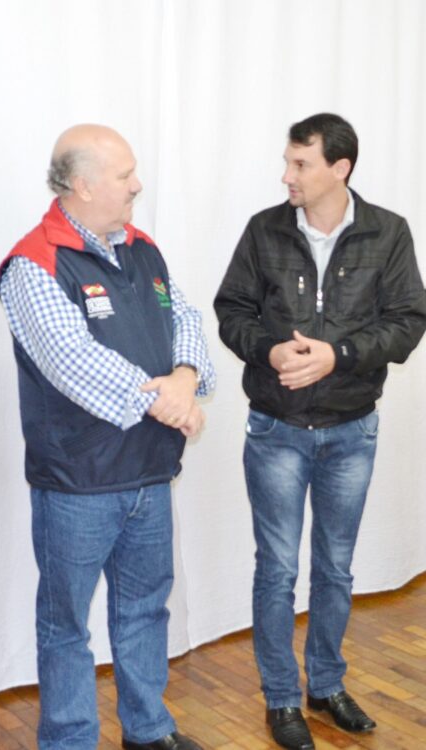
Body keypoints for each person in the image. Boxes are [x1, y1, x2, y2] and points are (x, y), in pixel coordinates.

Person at [0, 124, 215, 750]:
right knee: (66, 625)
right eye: (125, 175)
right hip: (79, 483)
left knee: (146, 610)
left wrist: (186, 377)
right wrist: (171, 403)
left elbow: (186, 318)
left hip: (150, 472)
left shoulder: (143, 249)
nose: (137, 185)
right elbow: (72, 361)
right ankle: (69, 741)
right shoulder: (32, 264)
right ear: (83, 184)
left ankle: (148, 731)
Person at [214, 113, 426, 750]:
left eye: (300, 164)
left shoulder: (389, 232)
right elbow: (232, 310)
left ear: (341, 168)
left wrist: (339, 355)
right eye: (288, 161)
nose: (287, 175)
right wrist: (270, 350)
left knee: (335, 568)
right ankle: (282, 698)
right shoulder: (264, 229)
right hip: (276, 429)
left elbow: (408, 322)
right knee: (277, 570)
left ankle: (326, 686)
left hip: (351, 430)